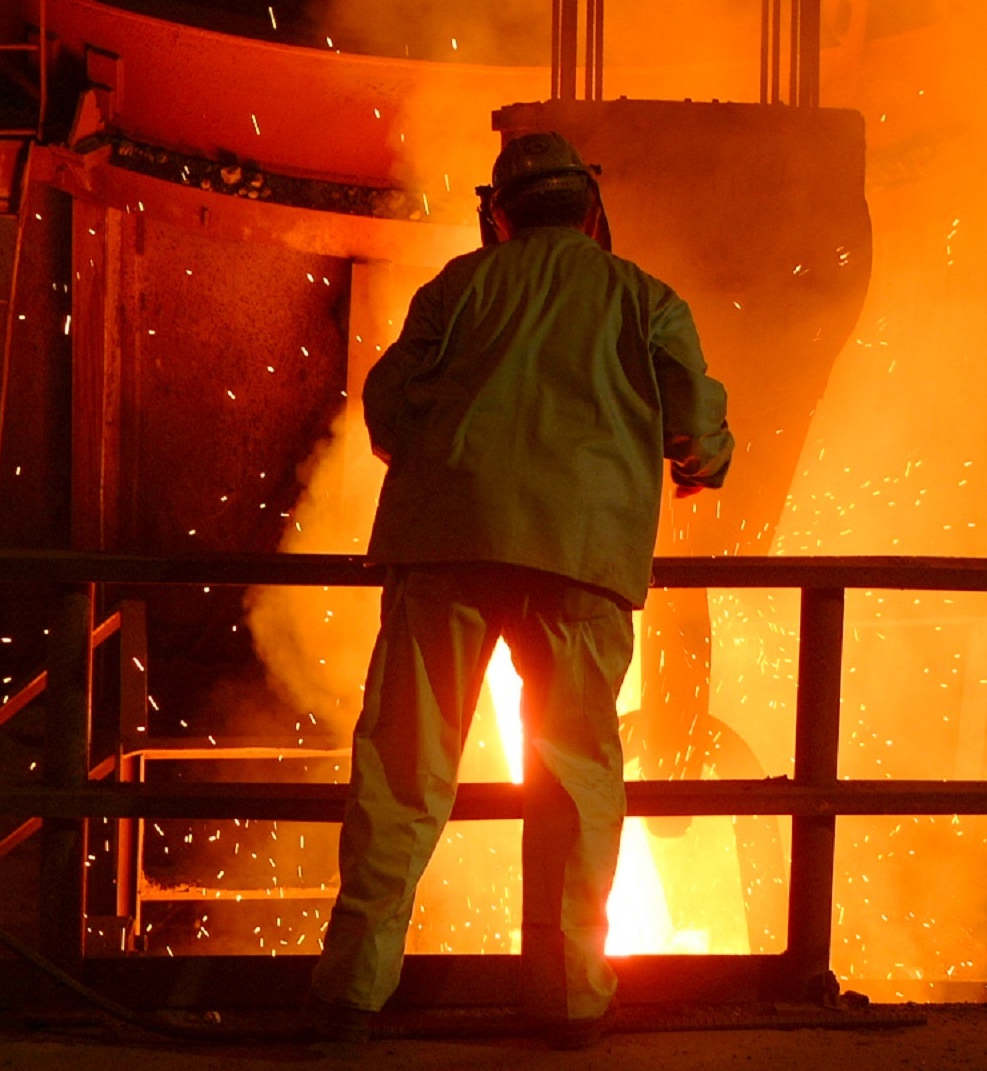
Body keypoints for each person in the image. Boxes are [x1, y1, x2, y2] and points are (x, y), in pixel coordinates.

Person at [307, 131, 733, 1046]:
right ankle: (569, 998)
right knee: (575, 777)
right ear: (591, 210)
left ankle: (352, 991)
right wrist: (699, 463)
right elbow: (697, 422)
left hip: (446, 548)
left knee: (403, 771)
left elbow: (387, 409)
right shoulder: (645, 299)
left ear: (497, 214)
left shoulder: (456, 289)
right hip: (581, 561)